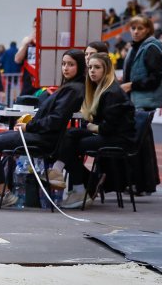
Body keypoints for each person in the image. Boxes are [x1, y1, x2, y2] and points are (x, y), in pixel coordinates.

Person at [0, 49, 86, 209]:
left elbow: (55, 121)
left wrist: (29, 126)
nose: (66, 68)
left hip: (44, 139)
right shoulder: (68, 87)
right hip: (37, 133)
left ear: (80, 66)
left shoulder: (74, 90)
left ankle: (3, 193)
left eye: (71, 64)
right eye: (63, 64)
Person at [53, 53, 136, 209]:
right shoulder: (99, 89)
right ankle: (83, 180)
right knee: (69, 136)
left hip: (118, 139)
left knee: (69, 146)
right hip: (108, 133)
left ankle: (75, 184)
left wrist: (91, 127)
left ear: (107, 70)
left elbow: (107, 128)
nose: (92, 71)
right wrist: (90, 125)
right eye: (90, 67)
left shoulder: (112, 92)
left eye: (97, 67)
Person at [120, 15, 162, 194]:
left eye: (140, 28)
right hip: (136, 100)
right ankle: (143, 183)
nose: (136, 31)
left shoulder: (152, 48)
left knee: (141, 145)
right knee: (141, 143)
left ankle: (143, 185)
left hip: (145, 102)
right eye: (133, 28)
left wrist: (131, 85)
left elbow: (155, 79)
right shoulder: (136, 47)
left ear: (148, 29)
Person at [15, 19, 37, 96]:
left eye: (39, 27)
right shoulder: (27, 41)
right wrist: (25, 44)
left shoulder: (48, 42)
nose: (37, 29)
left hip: (43, 81)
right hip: (28, 80)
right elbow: (17, 59)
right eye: (35, 27)